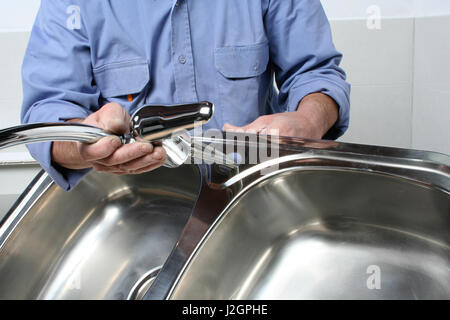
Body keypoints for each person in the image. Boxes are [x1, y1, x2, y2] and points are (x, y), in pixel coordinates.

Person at [21, 0, 351, 191]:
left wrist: (310, 119)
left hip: (251, 199)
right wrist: (83, 145)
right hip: (135, 211)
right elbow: (47, 112)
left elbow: (316, 74)